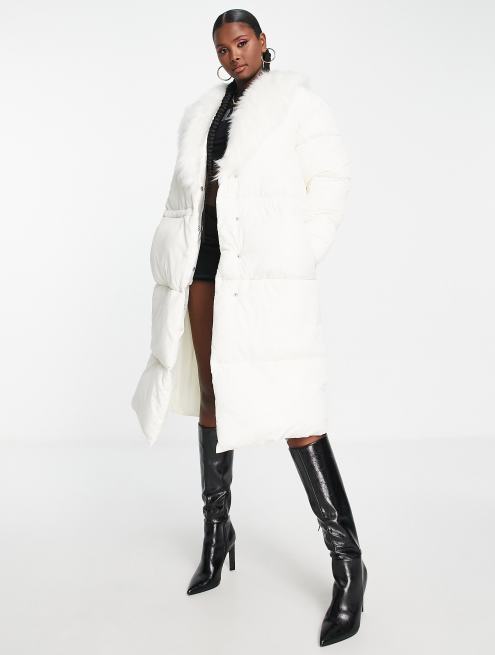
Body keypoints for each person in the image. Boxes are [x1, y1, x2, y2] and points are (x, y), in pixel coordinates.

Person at [131, 9, 367, 647]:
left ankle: (349, 565)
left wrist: (298, 253)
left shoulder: (296, 105)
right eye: (223, 47)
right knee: (212, 397)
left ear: (263, 41)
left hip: (263, 278)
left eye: (242, 42)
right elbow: (185, 200)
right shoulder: (203, 113)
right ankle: (218, 533)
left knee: (297, 412)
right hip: (206, 270)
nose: (234, 54)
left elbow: (332, 181)